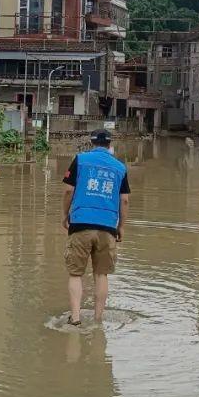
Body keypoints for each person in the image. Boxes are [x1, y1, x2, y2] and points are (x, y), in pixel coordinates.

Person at [62, 129, 130, 326]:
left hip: (81, 223)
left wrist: (64, 216)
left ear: (92, 143)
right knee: (101, 274)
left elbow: (68, 190)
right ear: (110, 145)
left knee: (75, 273)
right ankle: (98, 320)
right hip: (108, 227)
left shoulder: (80, 160)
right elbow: (124, 200)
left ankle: (75, 318)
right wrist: (121, 227)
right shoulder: (120, 167)